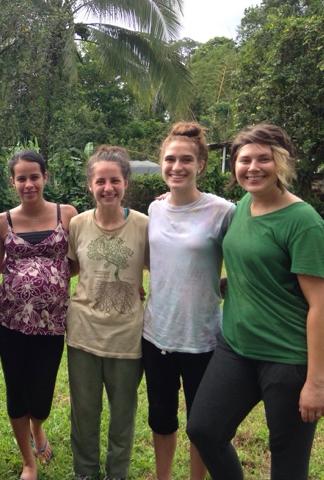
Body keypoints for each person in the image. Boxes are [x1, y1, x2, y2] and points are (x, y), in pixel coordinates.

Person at [186, 124, 324, 480]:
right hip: (236, 347)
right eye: (244, 160)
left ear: (282, 162)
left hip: (287, 357)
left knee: (287, 461)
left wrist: (316, 381)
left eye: (264, 159)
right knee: (204, 430)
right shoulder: (245, 205)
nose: (253, 168)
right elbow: (260, 265)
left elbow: (319, 305)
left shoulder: (303, 221)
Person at [142, 122, 235, 480]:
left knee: (201, 424)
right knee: (161, 419)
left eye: (186, 160)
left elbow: (245, 259)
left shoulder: (222, 211)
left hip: (203, 338)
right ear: (161, 163)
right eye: (170, 159)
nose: (177, 167)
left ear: (201, 165)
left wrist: (223, 285)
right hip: (157, 334)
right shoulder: (155, 209)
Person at [0, 150, 77, 480]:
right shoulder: (2, 221)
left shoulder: (67, 214)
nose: (29, 184)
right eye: (21, 178)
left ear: (45, 177)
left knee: (41, 398)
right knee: (17, 392)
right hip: (9, 322)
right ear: (12, 182)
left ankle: (37, 427)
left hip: (52, 324)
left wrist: (51, 279)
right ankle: (29, 462)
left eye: (34, 177)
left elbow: (79, 261)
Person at [66, 145, 148, 480]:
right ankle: (85, 472)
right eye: (100, 181)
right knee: (84, 411)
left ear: (126, 182)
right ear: (90, 185)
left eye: (115, 180)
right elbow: (71, 268)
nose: (108, 188)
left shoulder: (144, 225)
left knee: (123, 413)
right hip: (83, 332)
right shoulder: (77, 224)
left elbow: (163, 267)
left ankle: (117, 473)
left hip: (127, 335)